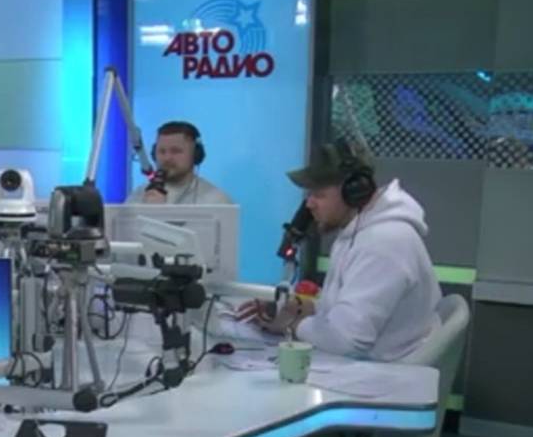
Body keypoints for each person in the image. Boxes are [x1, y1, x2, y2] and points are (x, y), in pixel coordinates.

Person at [247, 139, 441, 362]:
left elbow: (347, 340)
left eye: (319, 194)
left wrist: (290, 325)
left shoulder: (383, 242)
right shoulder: (357, 231)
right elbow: (342, 313)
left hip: (383, 374)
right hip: (368, 365)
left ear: (354, 191)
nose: (309, 204)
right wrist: (296, 307)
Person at [126, 121, 233, 205]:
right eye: (162, 151)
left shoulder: (216, 200)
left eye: (176, 151)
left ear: (195, 155)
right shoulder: (138, 197)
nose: (167, 158)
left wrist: (159, 211)